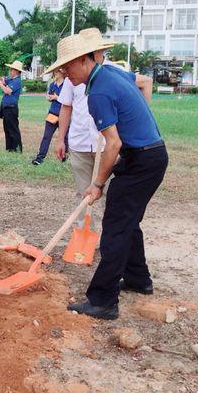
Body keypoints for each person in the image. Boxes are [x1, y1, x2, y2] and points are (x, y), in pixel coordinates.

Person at [47, 32, 168, 321]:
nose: (64, 75)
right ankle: (139, 279)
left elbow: (112, 143)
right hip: (147, 155)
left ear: (82, 60)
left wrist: (97, 183)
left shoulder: (98, 93)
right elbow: (137, 87)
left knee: (115, 226)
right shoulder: (113, 73)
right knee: (126, 219)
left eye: (66, 68)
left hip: (142, 159)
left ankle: (103, 301)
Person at [31, 68, 69, 165]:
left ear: (62, 73)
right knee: (46, 137)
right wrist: (49, 98)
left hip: (64, 116)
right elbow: (49, 96)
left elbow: (68, 101)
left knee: (65, 137)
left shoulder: (67, 85)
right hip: (52, 113)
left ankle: (64, 156)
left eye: (57, 72)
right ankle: (40, 158)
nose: (55, 74)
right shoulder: (52, 84)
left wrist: (57, 98)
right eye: (54, 72)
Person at [0, 61, 24, 152]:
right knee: (7, 128)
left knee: (13, 128)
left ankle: (17, 148)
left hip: (11, 108)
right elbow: (0, 79)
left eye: (12, 69)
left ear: (17, 71)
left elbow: (7, 90)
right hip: (6, 107)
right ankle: (10, 148)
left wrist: (0, 84)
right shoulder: (12, 80)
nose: (10, 71)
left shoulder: (17, 81)